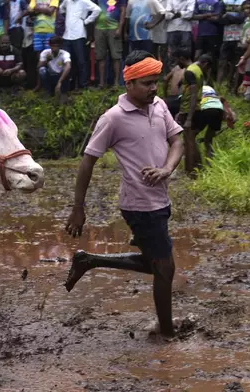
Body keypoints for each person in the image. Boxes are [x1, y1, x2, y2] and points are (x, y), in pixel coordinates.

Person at [64, 50, 184, 339]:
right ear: (129, 83)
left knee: (155, 263)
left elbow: (177, 140)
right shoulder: (113, 118)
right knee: (166, 268)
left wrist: (166, 168)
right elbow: (87, 161)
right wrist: (78, 208)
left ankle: (89, 260)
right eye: (146, 83)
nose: (153, 88)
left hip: (161, 199)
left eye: (155, 82)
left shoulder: (160, 106)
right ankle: (166, 334)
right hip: (139, 205)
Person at [177, 54, 213, 175]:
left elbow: (193, 96)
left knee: (189, 140)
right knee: (191, 139)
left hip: (191, 110)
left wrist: (188, 118)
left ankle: (191, 170)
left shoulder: (190, 71)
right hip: (195, 108)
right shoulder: (197, 71)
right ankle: (196, 167)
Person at [59, 0, 100, 89]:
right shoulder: (67, 1)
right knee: (68, 61)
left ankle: (83, 84)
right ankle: (69, 85)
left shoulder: (84, 1)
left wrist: (87, 21)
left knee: (81, 61)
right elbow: (61, 9)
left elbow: (97, 9)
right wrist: (67, 16)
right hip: (67, 35)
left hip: (79, 35)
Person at [95, 0, 126, 88]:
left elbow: (123, 11)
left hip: (114, 27)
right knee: (100, 57)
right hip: (99, 28)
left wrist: (120, 28)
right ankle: (101, 83)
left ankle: (116, 83)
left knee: (116, 56)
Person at [218, 0, 248, 86]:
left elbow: (241, 19)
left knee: (236, 62)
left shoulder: (244, 1)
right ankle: (219, 86)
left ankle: (232, 85)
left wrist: (227, 16)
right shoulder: (224, 1)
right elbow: (220, 19)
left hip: (240, 37)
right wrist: (231, 18)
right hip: (226, 36)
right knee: (222, 62)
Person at [193, 0, 224, 77]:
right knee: (197, 55)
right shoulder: (198, 2)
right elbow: (193, 16)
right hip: (201, 34)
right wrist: (208, 15)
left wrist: (202, 16)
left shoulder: (216, 2)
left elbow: (217, 18)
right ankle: (195, 74)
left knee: (211, 57)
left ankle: (208, 79)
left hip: (213, 33)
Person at [37, 35, 71, 101]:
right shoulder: (45, 52)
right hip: (50, 76)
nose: (54, 48)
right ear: (49, 45)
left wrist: (59, 82)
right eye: (52, 45)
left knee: (67, 70)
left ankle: (63, 92)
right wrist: (46, 60)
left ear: (60, 46)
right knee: (42, 70)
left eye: (56, 46)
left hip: (61, 77)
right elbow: (38, 67)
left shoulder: (65, 53)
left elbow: (68, 66)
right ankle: (48, 91)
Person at [162, 49, 192, 117]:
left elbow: (166, 79)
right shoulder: (193, 69)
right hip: (181, 101)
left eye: (177, 60)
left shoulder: (176, 68)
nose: (177, 63)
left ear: (181, 59)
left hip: (171, 99)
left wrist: (165, 96)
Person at [165, 0, 195, 66]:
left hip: (185, 29)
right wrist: (182, 13)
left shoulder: (191, 0)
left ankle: (185, 70)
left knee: (185, 52)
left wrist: (175, 13)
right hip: (172, 29)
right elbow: (167, 15)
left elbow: (190, 15)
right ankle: (173, 71)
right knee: (172, 52)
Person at [151, 0, 169, 74]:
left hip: (164, 29)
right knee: (153, 53)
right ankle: (156, 71)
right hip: (152, 31)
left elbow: (164, 14)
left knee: (164, 53)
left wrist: (154, 23)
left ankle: (165, 72)